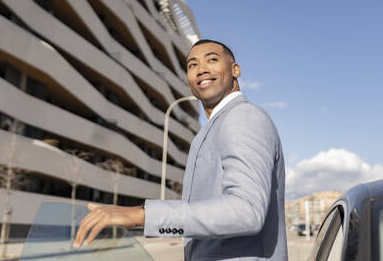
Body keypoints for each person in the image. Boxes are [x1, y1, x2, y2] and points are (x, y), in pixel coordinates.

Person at [73, 39, 288, 260]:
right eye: (192, 65)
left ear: (235, 70)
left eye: (212, 60)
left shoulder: (243, 117)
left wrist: (143, 215)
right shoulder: (213, 128)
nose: (201, 69)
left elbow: (247, 210)